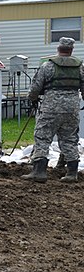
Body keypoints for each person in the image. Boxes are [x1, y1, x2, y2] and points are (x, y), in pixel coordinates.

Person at [21, 37, 84, 183]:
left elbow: (35, 87)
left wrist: (32, 99)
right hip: (72, 109)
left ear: (58, 49)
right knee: (69, 138)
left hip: (50, 108)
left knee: (42, 137)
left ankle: (39, 171)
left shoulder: (48, 66)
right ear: (72, 50)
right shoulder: (80, 67)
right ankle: (72, 173)